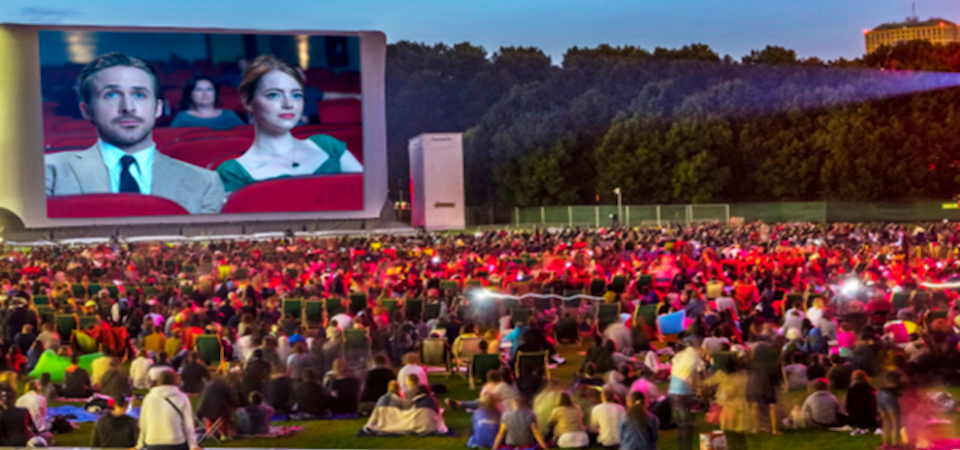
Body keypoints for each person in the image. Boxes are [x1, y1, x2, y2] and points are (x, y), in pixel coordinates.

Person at [45, 52, 227, 214]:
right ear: (86, 110)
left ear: (158, 108)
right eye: (111, 95)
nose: (128, 108)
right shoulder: (49, 172)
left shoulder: (205, 183)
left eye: (139, 95)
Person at [216, 55, 363, 192]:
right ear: (248, 102)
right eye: (274, 95)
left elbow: (375, 203)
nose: (289, 104)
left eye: (296, 95)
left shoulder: (328, 146)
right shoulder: (233, 173)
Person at [137, 369, 199, 450]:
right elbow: (188, 425)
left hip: (152, 441)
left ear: (158, 382)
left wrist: (139, 445)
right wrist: (193, 445)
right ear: (175, 381)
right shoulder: (182, 398)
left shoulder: (149, 398)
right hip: (176, 441)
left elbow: (143, 424)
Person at [668, 335, 705, 450]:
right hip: (684, 392)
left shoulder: (679, 356)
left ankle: (681, 445)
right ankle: (685, 447)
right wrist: (700, 390)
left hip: (673, 391)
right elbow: (697, 376)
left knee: (681, 425)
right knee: (687, 425)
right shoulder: (694, 357)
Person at [169, 76, 244, 130]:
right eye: (199, 89)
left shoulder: (229, 115)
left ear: (215, 93)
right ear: (190, 94)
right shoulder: (182, 117)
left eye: (209, 89)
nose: (205, 93)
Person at [877, 370, 906, 448]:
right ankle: (896, 445)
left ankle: (885, 444)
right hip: (890, 399)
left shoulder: (881, 388)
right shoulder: (895, 387)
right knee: (895, 422)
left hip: (879, 396)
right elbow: (901, 393)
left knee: (885, 422)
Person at [845, 370, 877, 435]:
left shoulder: (851, 389)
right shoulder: (869, 389)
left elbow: (848, 405)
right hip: (869, 417)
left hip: (855, 418)